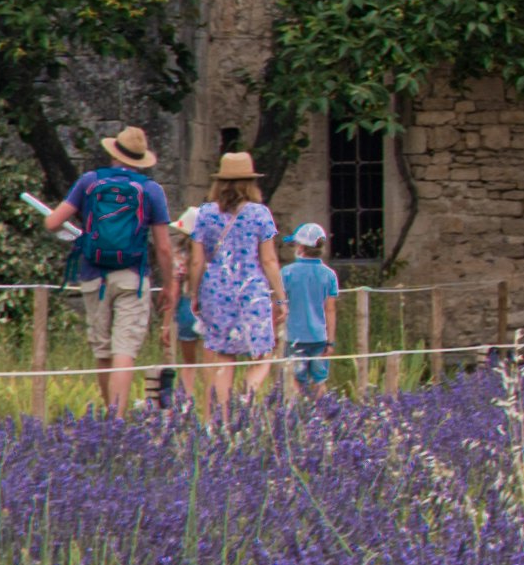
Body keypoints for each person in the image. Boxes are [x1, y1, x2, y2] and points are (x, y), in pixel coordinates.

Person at [44, 128, 171, 409]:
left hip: (93, 275)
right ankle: (117, 420)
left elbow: (53, 223)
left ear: (113, 153)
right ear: (141, 160)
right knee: (124, 351)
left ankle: (108, 418)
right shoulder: (151, 190)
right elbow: (163, 246)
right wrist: (171, 285)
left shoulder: (89, 182)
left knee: (103, 349)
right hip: (133, 276)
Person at [181, 150, 290, 403]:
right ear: (250, 182)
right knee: (262, 354)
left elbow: (197, 260)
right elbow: (269, 260)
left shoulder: (205, 214)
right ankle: (246, 394)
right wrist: (281, 298)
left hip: (216, 291)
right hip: (251, 291)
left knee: (222, 356)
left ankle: (221, 420)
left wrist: (195, 294)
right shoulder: (260, 214)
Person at [281, 221, 342, 390]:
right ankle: (321, 412)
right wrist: (331, 342)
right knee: (319, 380)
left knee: (295, 380)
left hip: (294, 337)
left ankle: (297, 414)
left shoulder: (287, 272)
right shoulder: (329, 275)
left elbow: (279, 305)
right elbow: (330, 310)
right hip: (319, 337)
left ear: (301, 247)